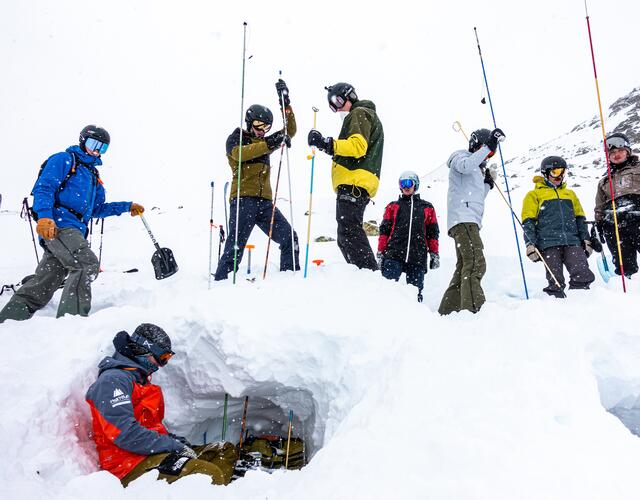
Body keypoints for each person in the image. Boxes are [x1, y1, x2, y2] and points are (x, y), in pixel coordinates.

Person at [0, 125, 143, 323]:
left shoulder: (93, 176)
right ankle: (71, 322)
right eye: (94, 144)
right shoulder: (64, 159)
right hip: (59, 225)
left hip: (74, 229)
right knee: (87, 264)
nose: (96, 151)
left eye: (102, 148)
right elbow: (44, 187)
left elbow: (95, 210)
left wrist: (126, 207)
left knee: (46, 281)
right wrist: (44, 216)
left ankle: (8, 320)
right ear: (83, 140)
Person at [85, 323, 237, 487]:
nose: (161, 365)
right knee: (207, 474)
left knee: (223, 451)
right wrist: (173, 446)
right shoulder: (113, 381)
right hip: (129, 466)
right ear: (144, 351)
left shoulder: (140, 382)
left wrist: (178, 442)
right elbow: (126, 435)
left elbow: (151, 428)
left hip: (154, 456)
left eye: (166, 358)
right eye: (162, 357)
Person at [214, 79, 299, 280]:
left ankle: (290, 280)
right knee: (235, 248)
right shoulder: (236, 139)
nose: (262, 131)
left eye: (267, 127)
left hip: (265, 203)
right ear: (249, 122)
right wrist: (270, 142)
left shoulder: (264, 142)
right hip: (243, 200)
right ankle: (221, 282)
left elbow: (291, 130)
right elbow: (240, 154)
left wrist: (285, 103)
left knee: (289, 237)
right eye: (259, 125)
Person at [307, 82, 384, 271]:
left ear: (350, 95)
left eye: (338, 101)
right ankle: (361, 276)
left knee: (349, 232)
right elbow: (350, 152)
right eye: (332, 105)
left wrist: (327, 143)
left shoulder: (359, 113)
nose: (337, 107)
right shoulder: (361, 115)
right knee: (346, 235)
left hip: (354, 183)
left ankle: (369, 276)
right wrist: (326, 146)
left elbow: (357, 147)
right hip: (355, 183)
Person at [438, 128, 501, 315]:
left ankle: (448, 310)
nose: (487, 157)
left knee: (464, 266)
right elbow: (465, 166)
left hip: (468, 220)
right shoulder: (460, 157)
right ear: (478, 145)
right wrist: (488, 146)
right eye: (487, 152)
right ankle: (475, 310)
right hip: (463, 220)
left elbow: (477, 196)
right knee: (475, 263)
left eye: (491, 154)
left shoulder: (476, 169)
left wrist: (487, 183)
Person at [522, 156, 595, 297]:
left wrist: (585, 239)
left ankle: (582, 300)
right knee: (555, 279)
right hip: (548, 242)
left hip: (572, 241)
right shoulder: (534, 195)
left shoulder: (570, 194)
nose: (560, 176)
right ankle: (556, 304)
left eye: (563, 172)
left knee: (582, 272)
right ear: (546, 172)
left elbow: (580, 219)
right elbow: (528, 221)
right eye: (556, 172)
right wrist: (530, 244)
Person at [377, 171, 440, 302]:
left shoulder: (427, 207)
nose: (406, 186)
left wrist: (434, 253)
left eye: (409, 183)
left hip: (417, 256)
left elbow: (432, 233)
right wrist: (380, 252)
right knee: (387, 291)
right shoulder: (392, 206)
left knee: (415, 294)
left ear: (415, 184)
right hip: (393, 254)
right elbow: (384, 232)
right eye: (402, 183)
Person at [594, 132, 640, 277]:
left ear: (628, 151)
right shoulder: (604, 181)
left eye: (620, 151)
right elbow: (599, 206)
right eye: (612, 152)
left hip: (637, 218)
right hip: (614, 226)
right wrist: (599, 223)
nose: (616, 154)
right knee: (624, 264)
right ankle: (626, 289)